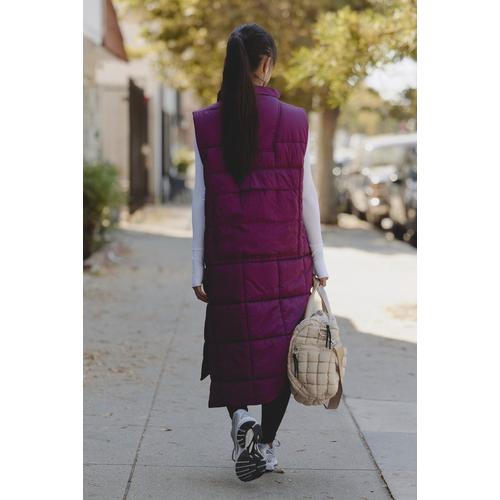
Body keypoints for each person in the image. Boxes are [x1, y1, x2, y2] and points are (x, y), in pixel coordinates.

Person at [191, 23, 329, 482]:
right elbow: (307, 196)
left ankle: (240, 419)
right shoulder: (294, 120)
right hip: (286, 261)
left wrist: (196, 266)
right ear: (266, 63)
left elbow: (200, 198)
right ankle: (265, 446)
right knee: (280, 356)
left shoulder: (207, 121)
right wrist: (320, 261)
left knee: (231, 347)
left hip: (227, 260)